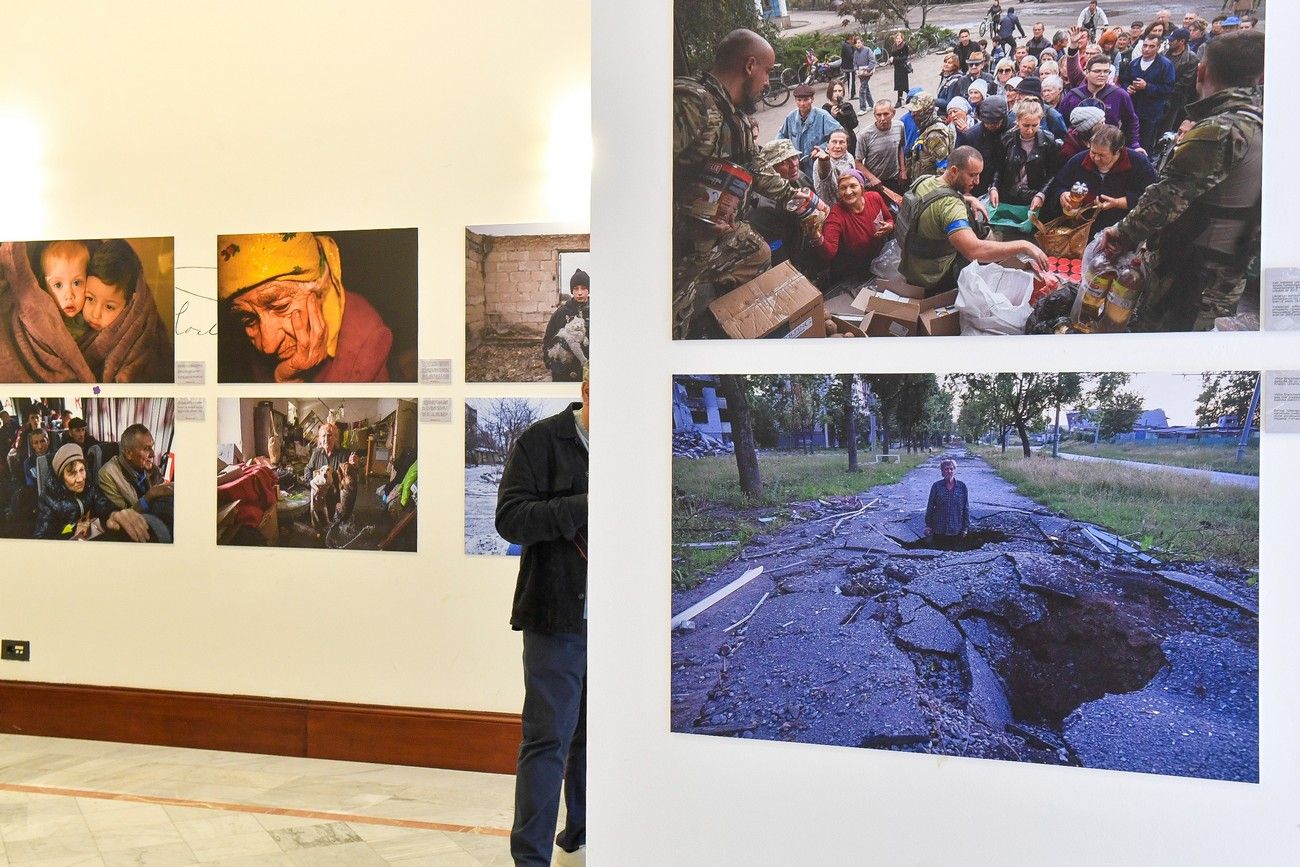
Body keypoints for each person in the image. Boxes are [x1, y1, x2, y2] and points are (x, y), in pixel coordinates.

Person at [1099, 29, 1263, 331]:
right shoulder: (1263, 124)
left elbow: (1164, 201)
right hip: (1224, 273)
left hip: (1190, 278)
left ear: (1201, 72)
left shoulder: (1219, 131)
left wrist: (1121, 234)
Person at [497, 364, 588, 867]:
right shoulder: (541, 440)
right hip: (554, 617)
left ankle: (580, 832)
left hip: (619, 624)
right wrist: (581, 506)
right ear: (588, 389)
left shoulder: (634, 441)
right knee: (547, 739)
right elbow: (509, 519)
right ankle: (530, 860)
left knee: (595, 735)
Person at [673, 29, 797, 339]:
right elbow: (637, 178)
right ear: (750, 65)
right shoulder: (691, 102)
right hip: (674, 248)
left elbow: (754, 164)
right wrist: (682, 218)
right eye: (768, 72)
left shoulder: (734, 116)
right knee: (669, 331)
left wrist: (797, 200)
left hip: (712, 239)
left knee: (757, 252)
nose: (768, 83)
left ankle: (730, 330)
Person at [217, 232, 394, 381]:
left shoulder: (366, 340)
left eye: (281, 306)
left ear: (318, 287)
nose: (268, 345)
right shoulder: (251, 341)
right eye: (249, 319)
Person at [899, 146, 1048, 294]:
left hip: (912, 264)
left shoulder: (925, 181)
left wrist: (966, 199)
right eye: (972, 175)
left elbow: (932, 200)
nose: (977, 181)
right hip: (933, 278)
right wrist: (1023, 245)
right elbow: (974, 250)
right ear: (954, 171)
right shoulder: (950, 206)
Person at [1042, 123, 1156, 239]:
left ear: (1117, 151)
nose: (1095, 158)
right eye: (1093, 152)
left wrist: (1117, 203)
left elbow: (1152, 197)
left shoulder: (1138, 164)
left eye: (1102, 155)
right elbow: (1059, 184)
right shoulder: (1079, 160)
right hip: (1080, 227)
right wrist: (1062, 195)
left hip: (1120, 228)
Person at [35, 444, 151, 542]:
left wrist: (114, 514)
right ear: (61, 477)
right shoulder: (48, 500)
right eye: (72, 473)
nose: (80, 479)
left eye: (82, 470)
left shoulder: (90, 488)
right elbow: (42, 539)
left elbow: (105, 506)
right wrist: (72, 530)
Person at [809, 169, 894, 286]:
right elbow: (829, 253)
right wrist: (816, 236)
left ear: (862, 187)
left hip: (877, 259)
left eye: (853, 186)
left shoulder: (875, 198)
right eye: (843, 188)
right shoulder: (836, 216)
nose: (848, 192)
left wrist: (889, 226)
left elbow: (889, 218)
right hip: (852, 270)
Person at [97, 423, 173, 542]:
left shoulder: (151, 468)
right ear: (128, 453)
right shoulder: (107, 474)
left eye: (152, 447)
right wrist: (150, 495)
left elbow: (160, 496)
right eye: (146, 449)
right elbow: (122, 518)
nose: (153, 454)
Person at [988, 100, 1060, 211]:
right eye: (1026, 125)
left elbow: (1053, 172)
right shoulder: (1007, 138)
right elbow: (999, 167)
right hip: (1009, 195)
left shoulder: (1049, 140)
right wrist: (994, 187)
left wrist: (1041, 194)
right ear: (1017, 121)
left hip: (1035, 195)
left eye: (1035, 125)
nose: (1030, 130)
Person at [1059, 55, 1141, 151]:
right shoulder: (1073, 96)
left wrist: (1134, 145)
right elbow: (1062, 122)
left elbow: (1131, 121)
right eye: (1097, 71)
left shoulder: (1120, 95)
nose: (1102, 75)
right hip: (1077, 148)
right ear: (1087, 72)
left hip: (1109, 148)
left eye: (1106, 71)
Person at [1119, 35, 1177, 152]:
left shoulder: (1165, 65)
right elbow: (1125, 80)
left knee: (1145, 144)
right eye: (1145, 46)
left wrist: (1148, 87)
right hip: (1133, 110)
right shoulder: (1134, 63)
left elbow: (1169, 89)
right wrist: (1127, 88)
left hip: (1151, 113)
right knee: (1126, 142)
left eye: (1151, 46)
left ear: (1158, 47)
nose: (1146, 49)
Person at [542, 270, 590, 383]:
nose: (579, 292)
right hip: (564, 373)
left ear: (589, 289)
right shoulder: (561, 312)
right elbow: (547, 339)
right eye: (575, 289)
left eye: (583, 288)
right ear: (572, 291)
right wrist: (550, 362)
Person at [957, 95, 1009, 196]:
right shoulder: (971, 135)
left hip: (1004, 183)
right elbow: (960, 163)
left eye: (994, 123)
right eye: (987, 123)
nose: (990, 126)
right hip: (978, 184)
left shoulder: (1012, 130)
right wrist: (965, 191)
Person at [855, 100, 908, 200]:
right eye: (878, 115)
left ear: (893, 113)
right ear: (874, 115)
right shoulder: (865, 135)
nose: (882, 118)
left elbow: (900, 147)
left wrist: (903, 170)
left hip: (894, 179)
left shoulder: (899, 126)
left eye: (886, 114)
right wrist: (871, 178)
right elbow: (858, 162)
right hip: (874, 184)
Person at [38, 240, 90, 339]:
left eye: (77, 283)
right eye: (58, 285)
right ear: (45, 287)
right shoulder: (45, 321)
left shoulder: (91, 318)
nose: (69, 295)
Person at [304, 422, 348, 534]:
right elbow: (308, 469)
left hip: (335, 496)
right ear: (320, 438)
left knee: (335, 528)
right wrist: (311, 483)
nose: (326, 439)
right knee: (318, 527)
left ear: (335, 438)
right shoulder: (316, 453)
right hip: (319, 495)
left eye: (329, 435)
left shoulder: (342, 454)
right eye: (323, 436)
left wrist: (352, 465)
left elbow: (348, 477)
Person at [1158, 28, 1200, 136]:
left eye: (1173, 40)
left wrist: (1165, 89)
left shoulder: (1191, 58)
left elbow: (1185, 82)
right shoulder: (1164, 53)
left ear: (1182, 41)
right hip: (1159, 97)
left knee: (1167, 130)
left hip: (1176, 101)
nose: (1170, 42)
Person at [905, 93, 955, 181]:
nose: (912, 115)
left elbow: (943, 166)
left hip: (930, 185)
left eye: (916, 111)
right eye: (912, 111)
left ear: (927, 112)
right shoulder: (925, 127)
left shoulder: (936, 135)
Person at [925, 459, 969, 550]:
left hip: (956, 528)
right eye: (946, 469)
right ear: (942, 471)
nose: (949, 471)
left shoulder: (962, 486)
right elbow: (930, 506)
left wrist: (965, 528)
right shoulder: (936, 486)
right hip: (939, 528)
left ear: (955, 470)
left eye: (951, 469)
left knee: (954, 555)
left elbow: (966, 508)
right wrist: (928, 525)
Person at [811, 129, 859, 207]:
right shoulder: (820, 161)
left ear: (847, 144)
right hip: (831, 207)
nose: (837, 146)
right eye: (834, 142)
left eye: (841, 142)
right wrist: (824, 161)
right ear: (827, 144)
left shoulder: (849, 157)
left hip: (849, 203)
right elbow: (825, 175)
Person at [822, 80, 858, 144]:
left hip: (850, 140)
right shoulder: (826, 108)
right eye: (834, 91)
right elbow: (825, 130)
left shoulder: (847, 105)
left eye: (840, 91)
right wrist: (832, 116)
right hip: (836, 141)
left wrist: (846, 115)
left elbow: (854, 124)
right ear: (830, 92)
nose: (838, 93)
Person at [889, 33, 911, 108]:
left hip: (903, 68)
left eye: (899, 38)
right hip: (897, 68)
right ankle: (899, 101)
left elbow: (905, 57)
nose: (898, 40)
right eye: (897, 38)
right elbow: (892, 54)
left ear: (902, 39)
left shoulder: (905, 46)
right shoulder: (894, 46)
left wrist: (895, 59)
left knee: (904, 86)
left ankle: (910, 97)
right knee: (898, 85)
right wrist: (891, 59)